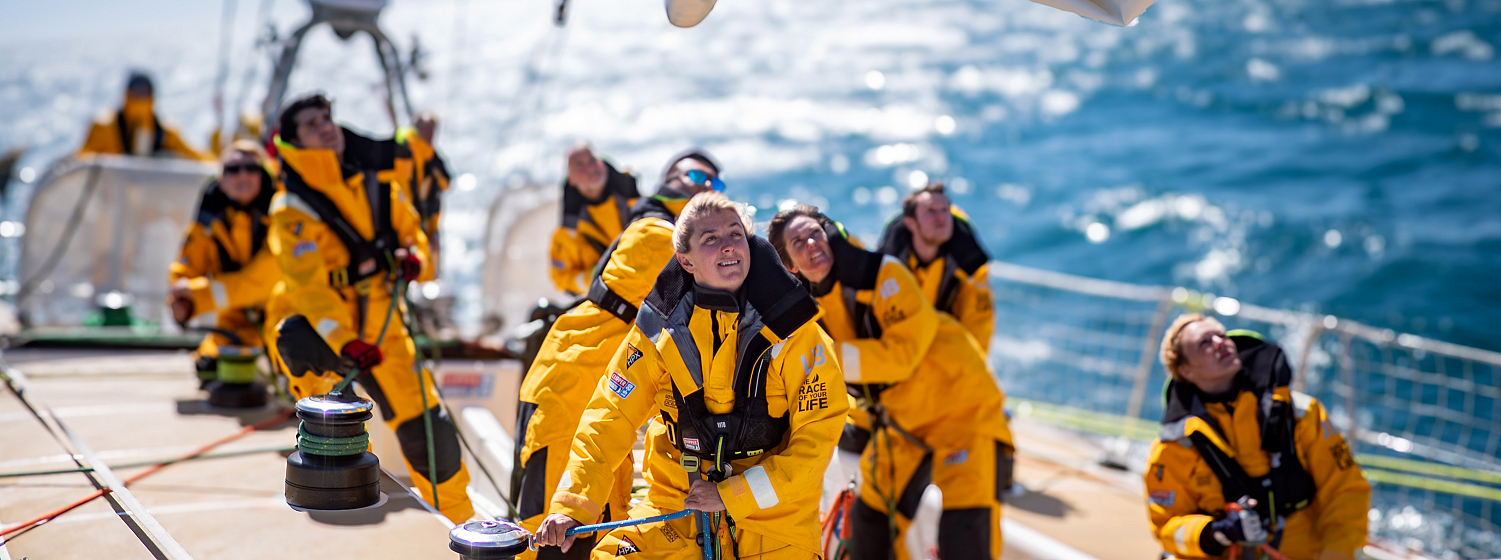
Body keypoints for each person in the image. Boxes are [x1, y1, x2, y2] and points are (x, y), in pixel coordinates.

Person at [534, 193, 847, 559]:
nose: (728, 246)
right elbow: (610, 416)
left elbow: (817, 442)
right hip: (676, 506)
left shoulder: (799, 333)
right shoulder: (656, 332)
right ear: (686, 260)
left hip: (774, 521)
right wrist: (571, 506)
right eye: (710, 239)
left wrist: (732, 495)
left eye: (735, 234)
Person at [262, 93, 472, 523]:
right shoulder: (290, 209)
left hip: (385, 333)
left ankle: (459, 525)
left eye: (327, 117)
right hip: (326, 337)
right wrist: (346, 339)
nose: (326, 126)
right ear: (293, 144)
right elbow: (310, 289)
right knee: (305, 356)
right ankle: (346, 502)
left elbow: (417, 242)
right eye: (311, 124)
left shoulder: (378, 186)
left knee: (432, 436)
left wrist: (417, 261)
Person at [768, 206, 1013, 560]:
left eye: (815, 233)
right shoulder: (804, 308)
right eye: (797, 242)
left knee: (966, 530)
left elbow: (902, 355)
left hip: (962, 407)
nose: (811, 244)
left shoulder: (883, 273)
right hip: (900, 423)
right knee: (870, 522)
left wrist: (826, 358)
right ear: (789, 264)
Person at [513, 150, 718, 559]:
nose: (706, 184)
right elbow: (727, 275)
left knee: (596, 523)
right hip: (571, 388)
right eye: (693, 174)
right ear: (667, 182)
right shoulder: (655, 231)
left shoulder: (658, 229)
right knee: (551, 535)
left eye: (716, 181)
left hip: (605, 397)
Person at [1146, 314, 1370, 560]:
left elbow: (1346, 490)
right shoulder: (1175, 444)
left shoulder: (1300, 415)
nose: (1221, 342)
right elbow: (1166, 525)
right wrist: (1214, 532)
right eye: (1205, 343)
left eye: (1221, 335)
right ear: (1185, 370)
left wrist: (1335, 554)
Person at [168, 140, 281, 386]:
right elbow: (184, 271)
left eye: (251, 168)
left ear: (263, 175)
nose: (242, 175)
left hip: (280, 320)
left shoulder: (282, 216)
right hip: (233, 328)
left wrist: (197, 297)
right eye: (232, 169)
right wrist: (181, 302)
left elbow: (261, 282)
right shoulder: (206, 223)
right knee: (207, 368)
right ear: (220, 179)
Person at [877, 182, 994, 353]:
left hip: (948, 343)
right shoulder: (888, 263)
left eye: (945, 210)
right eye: (930, 211)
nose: (941, 217)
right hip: (903, 345)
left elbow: (979, 322)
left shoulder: (969, 261)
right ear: (910, 223)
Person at [548, 143, 641, 295]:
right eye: (580, 165)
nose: (590, 168)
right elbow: (561, 278)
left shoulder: (638, 200)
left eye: (592, 160)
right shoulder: (566, 234)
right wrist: (591, 278)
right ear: (570, 179)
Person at [78, 71, 214, 161]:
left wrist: (221, 164)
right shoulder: (103, 127)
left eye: (146, 91)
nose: (141, 95)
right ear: (127, 93)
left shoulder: (166, 131)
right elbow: (82, 159)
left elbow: (195, 156)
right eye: (137, 90)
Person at [397, 112, 450, 273]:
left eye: (433, 129)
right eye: (427, 128)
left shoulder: (430, 154)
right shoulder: (407, 148)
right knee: (417, 258)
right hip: (412, 216)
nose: (431, 133)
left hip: (428, 216)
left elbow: (446, 182)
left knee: (428, 257)